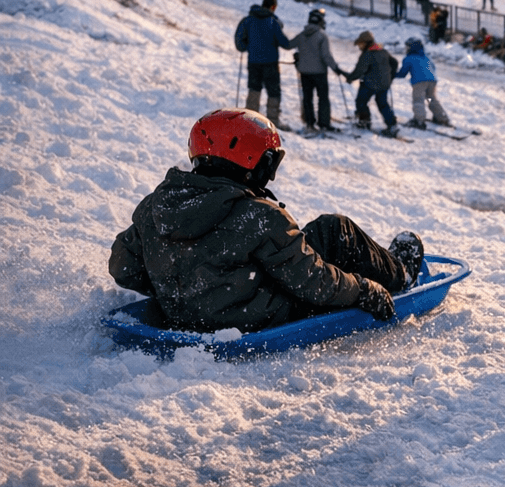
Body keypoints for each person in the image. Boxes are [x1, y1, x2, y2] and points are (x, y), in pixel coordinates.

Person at [109, 109, 421, 332]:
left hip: (186, 314)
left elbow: (123, 267)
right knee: (336, 230)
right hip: (257, 317)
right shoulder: (259, 216)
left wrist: (185, 286)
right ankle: (401, 274)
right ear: (250, 160)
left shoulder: (156, 206)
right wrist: (362, 289)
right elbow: (312, 282)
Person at [234, 0, 294, 130]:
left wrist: (247, 47)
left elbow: (239, 42)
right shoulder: (273, 22)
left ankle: (250, 119)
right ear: (273, 7)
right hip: (270, 63)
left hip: (253, 62)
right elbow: (285, 43)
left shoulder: (248, 20)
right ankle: (273, 121)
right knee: (273, 91)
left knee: (254, 88)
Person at [293, 8, 345, 132]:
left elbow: (290, 44)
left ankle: (309, 123)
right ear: (320, 21)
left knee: (307, 98)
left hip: (304, 72)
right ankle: (324, 123)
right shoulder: (322, 36)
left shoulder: (301, 35)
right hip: (319, 73)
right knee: (323, 98)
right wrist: (335, 68)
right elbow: (326, 56)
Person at [345, 31, 401, 136]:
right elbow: (395, 63)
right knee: (382, 103)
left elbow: (359, 70)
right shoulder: (383, 51)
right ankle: (392, 125)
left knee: (361, 101)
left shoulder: (367, 54)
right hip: (384, 83)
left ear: (366, 43)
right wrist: (390, 76)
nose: (359, 47)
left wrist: (350, 78)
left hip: (371, 83)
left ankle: (364, 122)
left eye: (361, 44)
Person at [396, 37, 452, 130]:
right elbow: (433, 68)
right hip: (432, 80)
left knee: (418, 99)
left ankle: (419, 120)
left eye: (407, 47)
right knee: (431, 99)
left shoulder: (409, 58)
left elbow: (402, 73)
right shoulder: (426, 57)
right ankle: (442, 118)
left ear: (411, 48)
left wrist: (392, 74)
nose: (406, 49)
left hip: (419, 82)